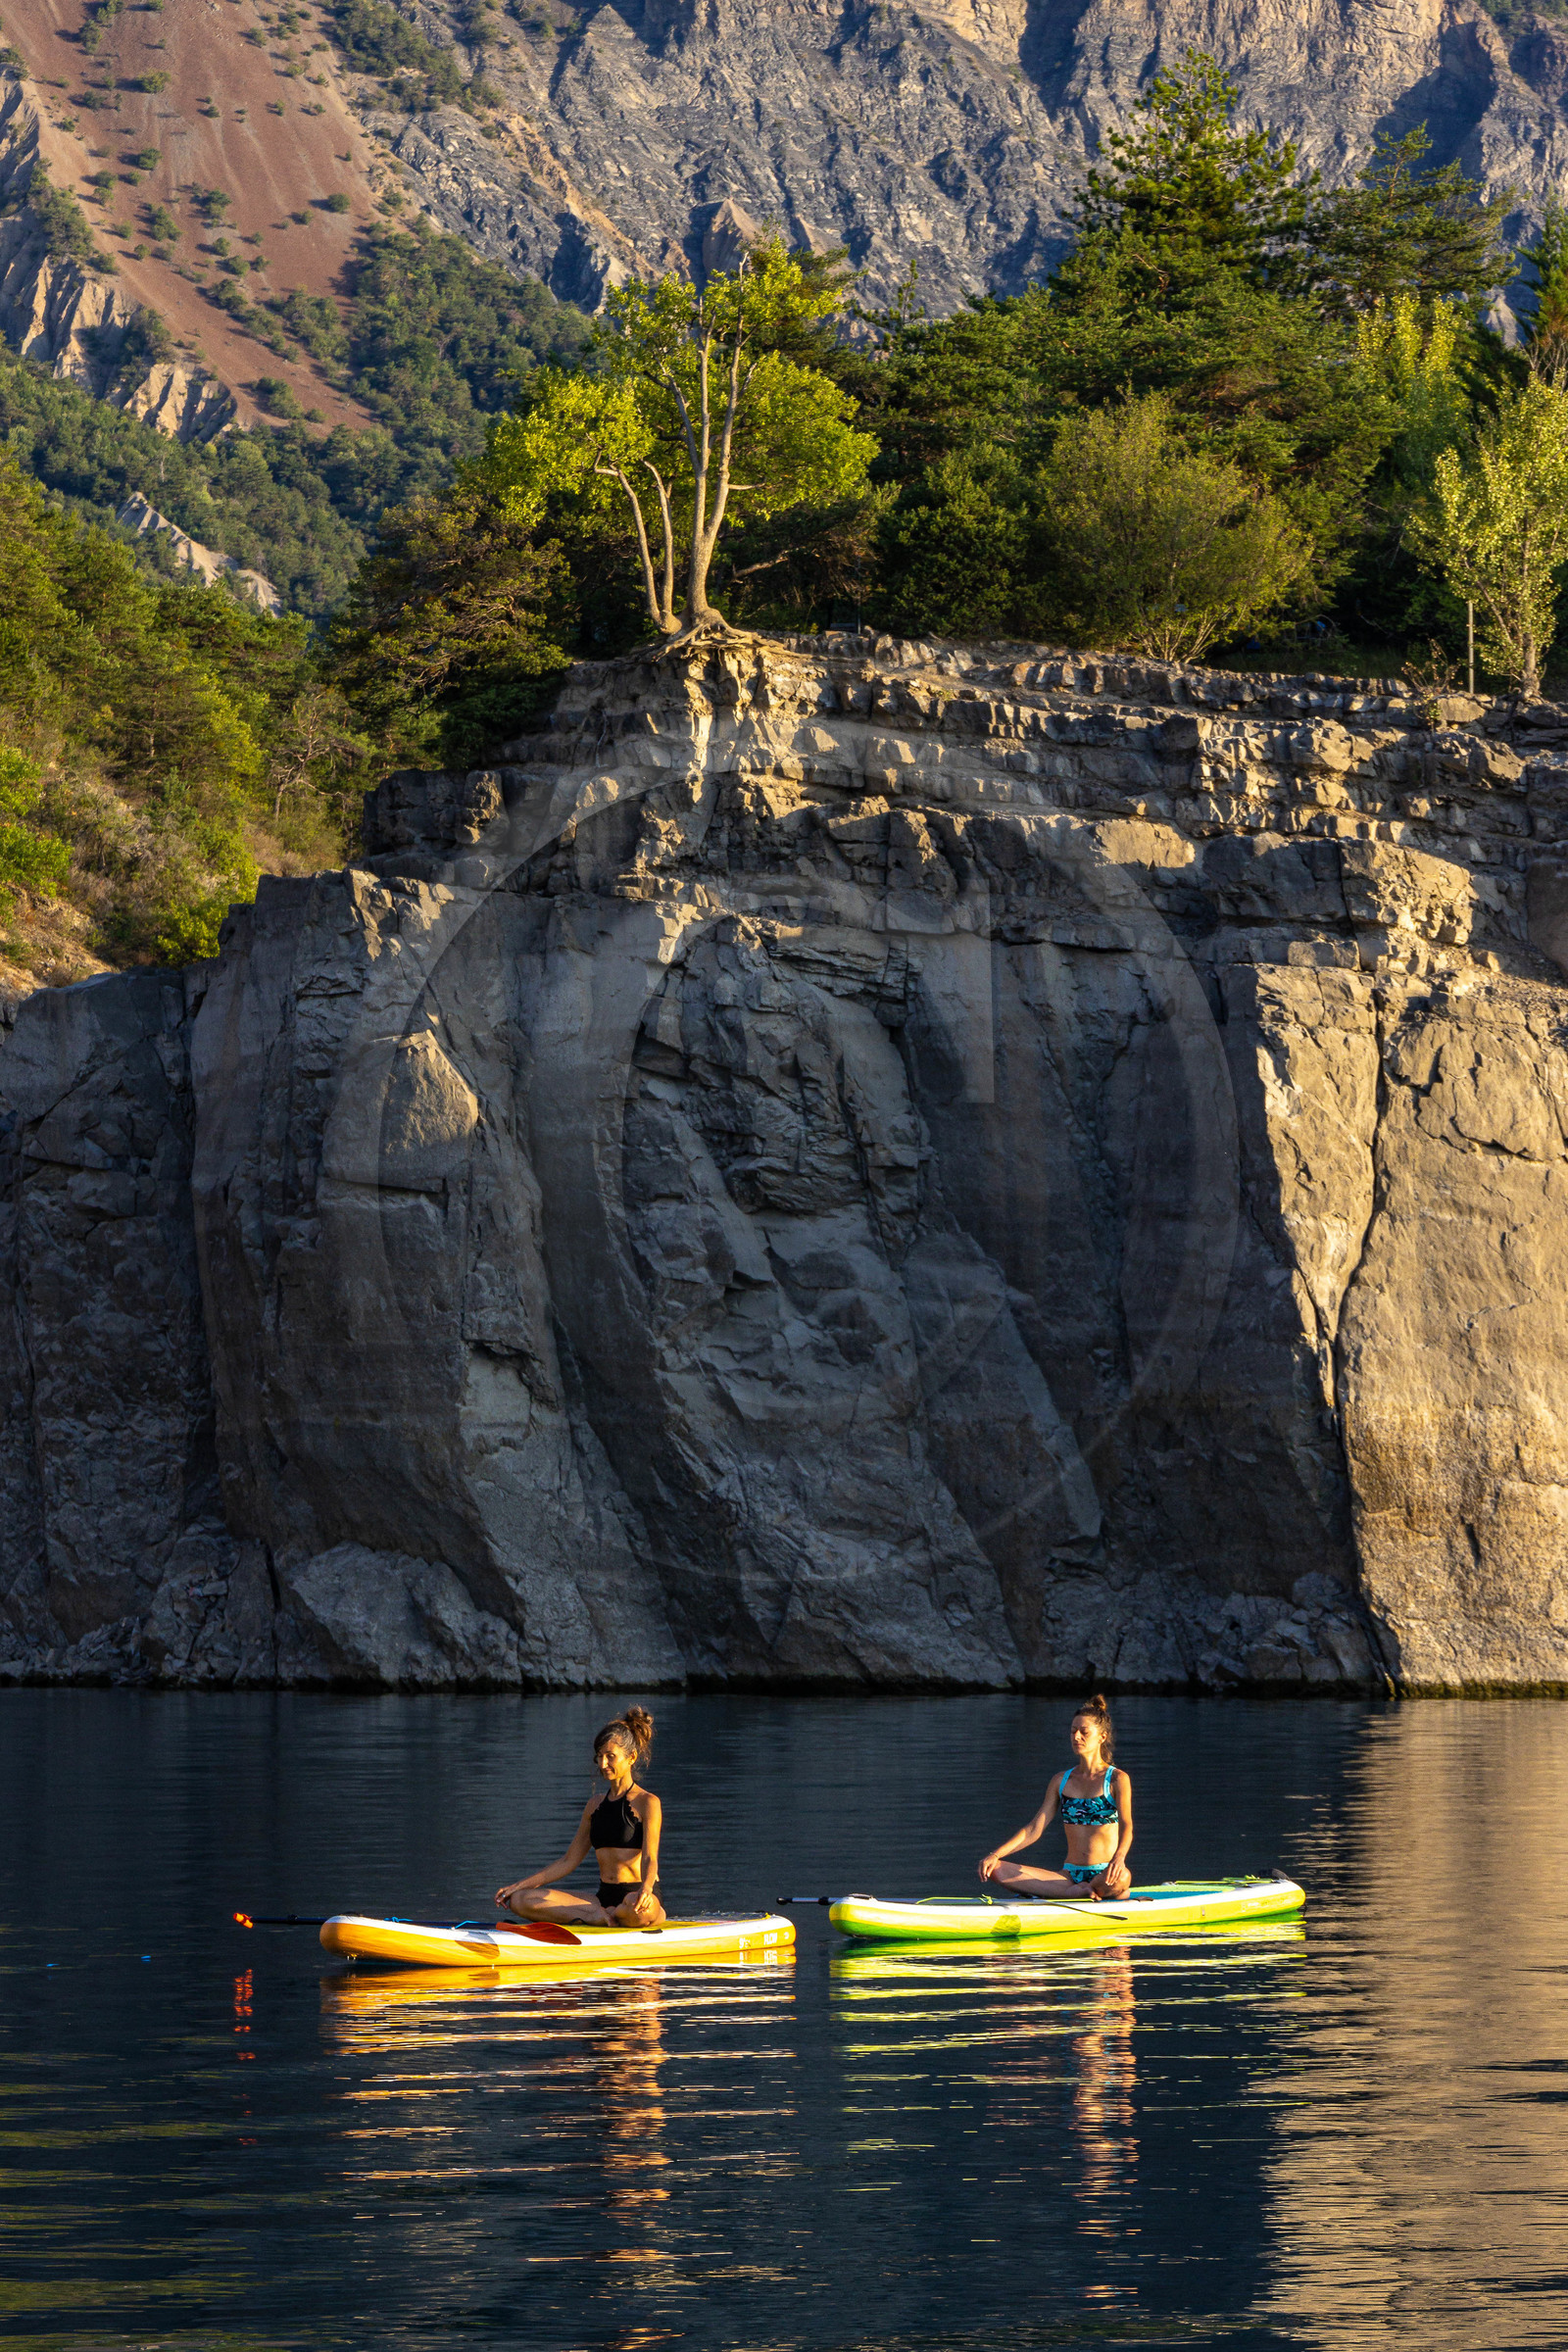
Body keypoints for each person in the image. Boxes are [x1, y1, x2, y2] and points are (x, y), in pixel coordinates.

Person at [495, 1707, 665, 1928]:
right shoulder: (594, 1806)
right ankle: (598, 1916)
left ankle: (613, 1915)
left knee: (641, 1912)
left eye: (610, 1757)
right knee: (520, 1900)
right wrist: (519, 1886)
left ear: (631, 1757)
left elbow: (650, 1858)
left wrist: (647, 1889)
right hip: (602, 1899)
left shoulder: (648, 1802)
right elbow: (569, 1861)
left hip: (638, 1898)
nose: (603, 1764)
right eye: (599, 1756)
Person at [978, 1693, 1133, 1900]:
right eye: (1073, 1731)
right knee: (996, 1869)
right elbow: (1034, 1829)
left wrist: (1119, 1859)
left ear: (1102, 1737)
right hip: (1068, 1876)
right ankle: (1076, 1892)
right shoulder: (1061, 1781)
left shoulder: (1117, 1779)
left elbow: (1127, 1826)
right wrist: (996, 1854)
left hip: (1106, 1872)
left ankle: (1090, 1890)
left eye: (1084, 1732)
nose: (1076, 1737)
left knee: (1122, 1877)